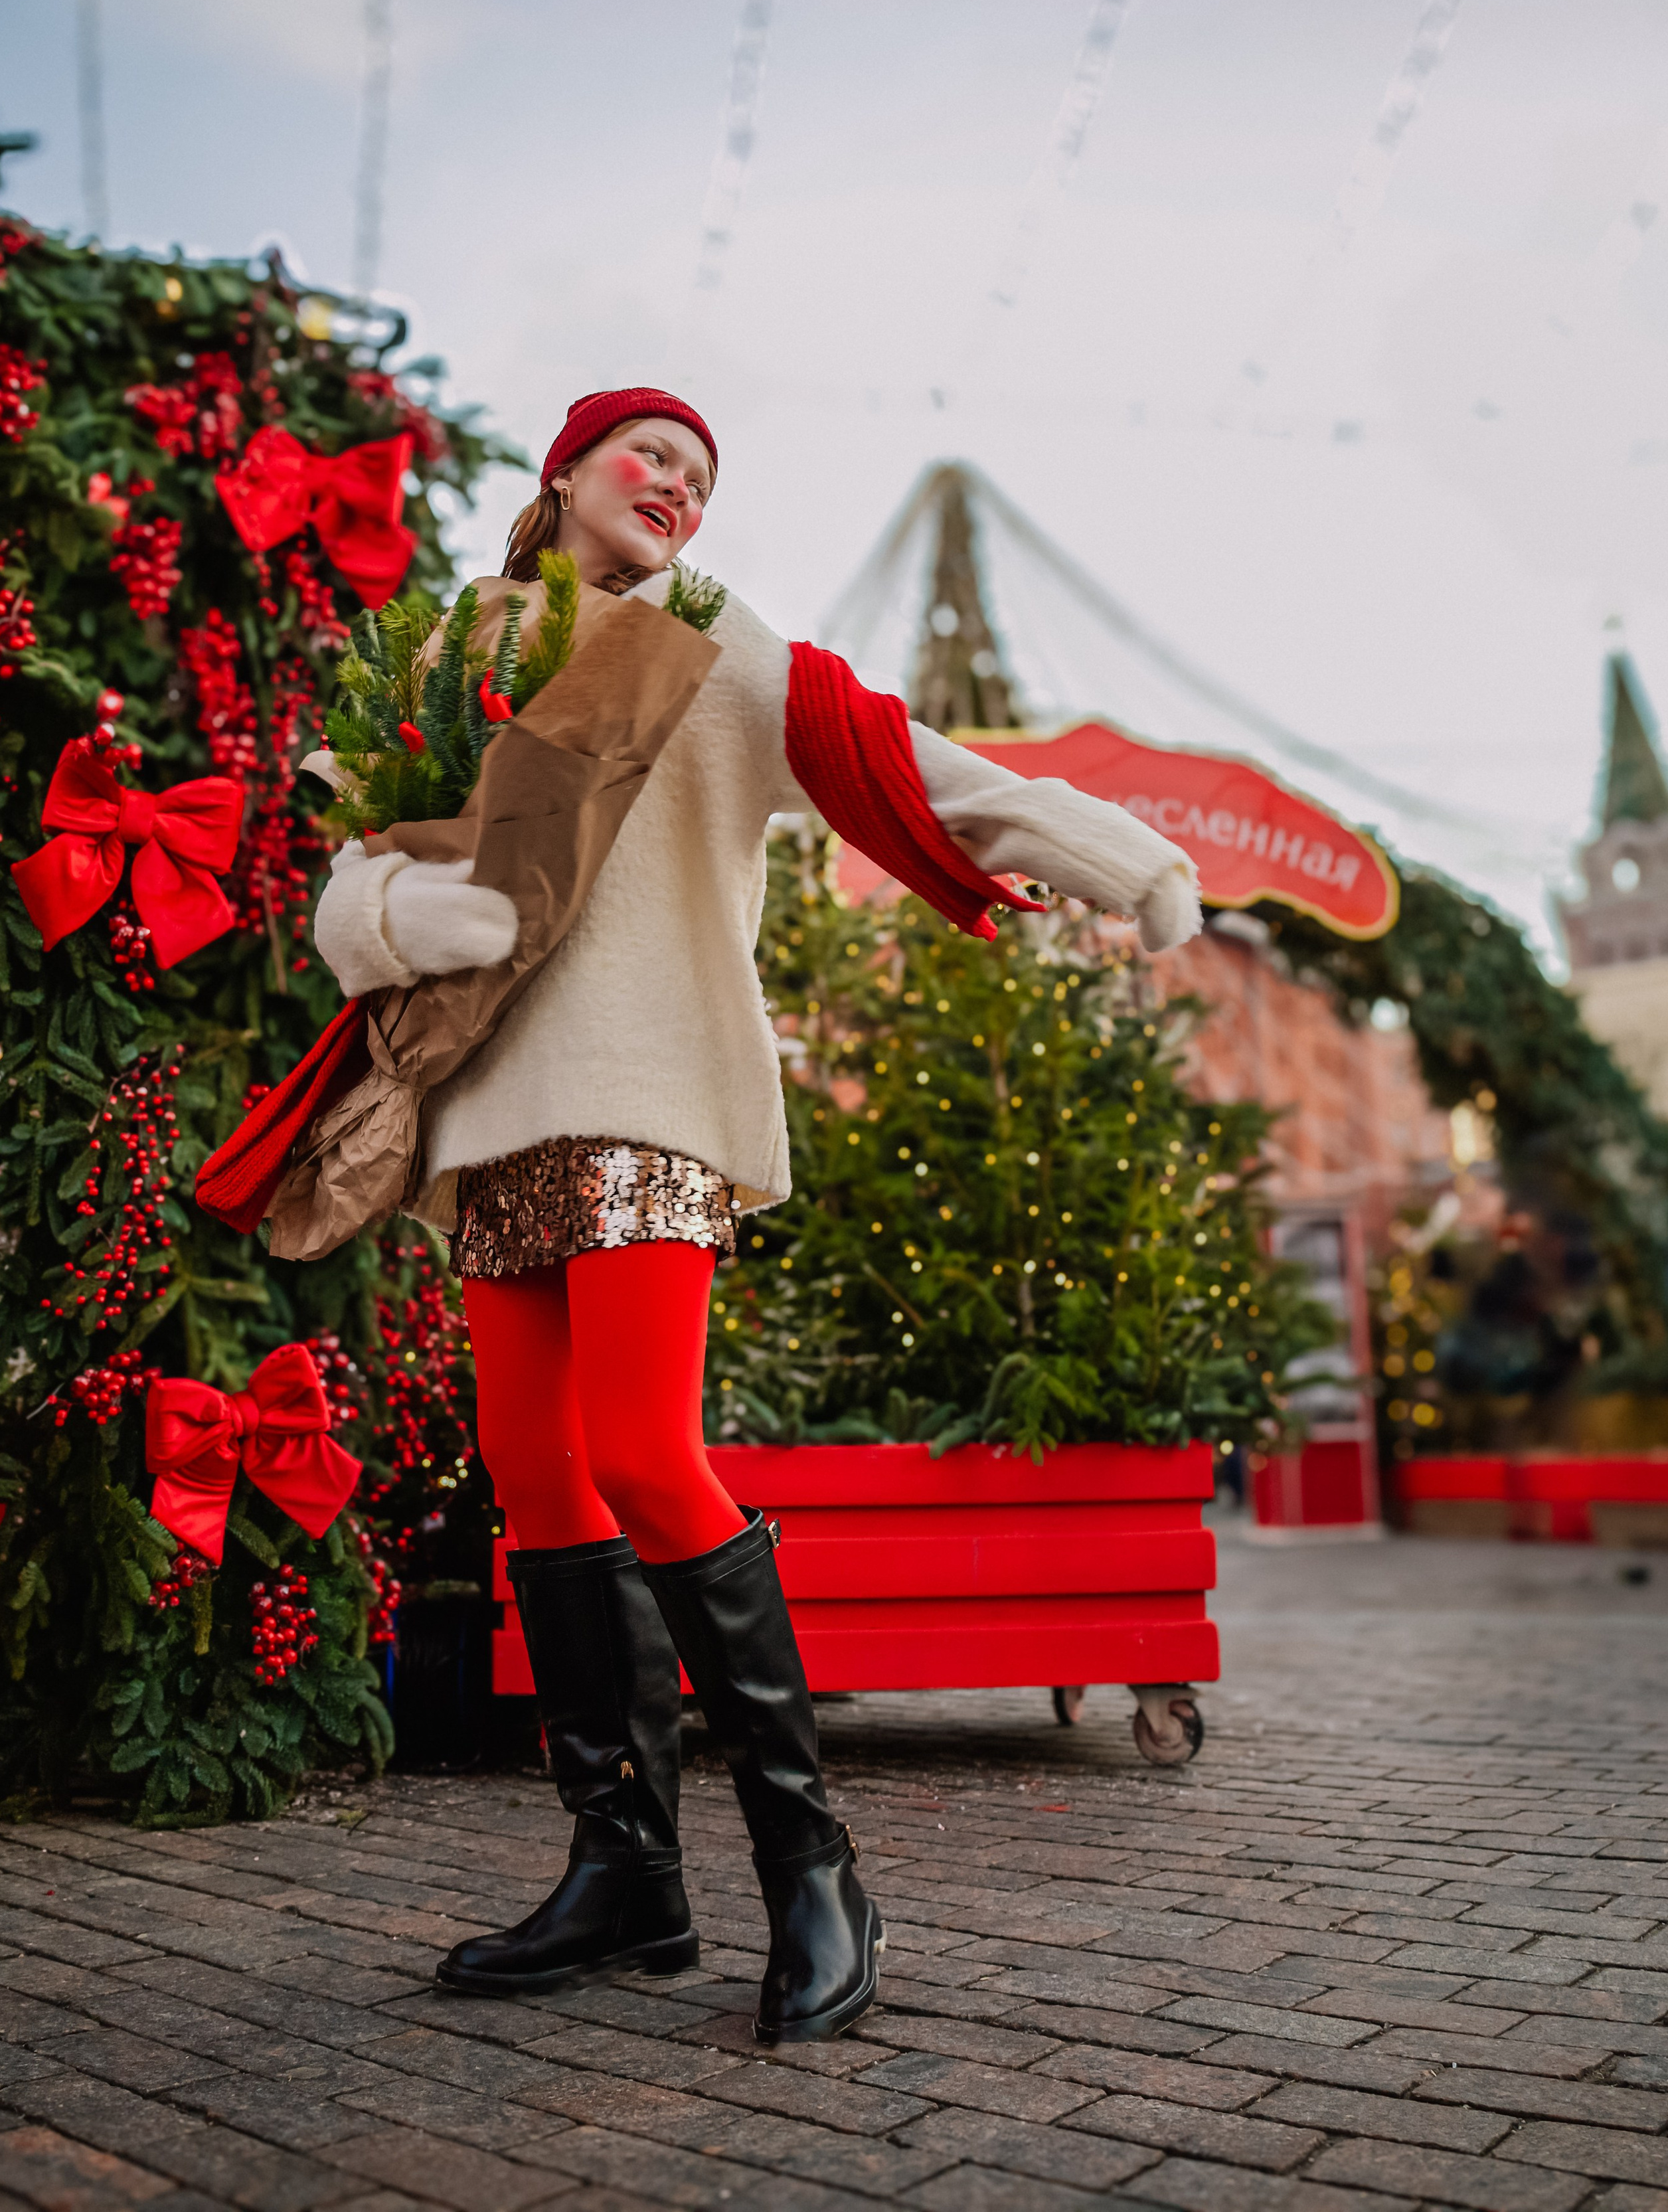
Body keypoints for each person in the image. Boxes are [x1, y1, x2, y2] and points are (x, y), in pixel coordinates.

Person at [312, 386, 1201, 2044]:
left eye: (703, 478)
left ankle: (809, 1868)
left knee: (648, 1455)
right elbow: (352, 861)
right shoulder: (457, 653)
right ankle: (622, 1874)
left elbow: (912, 764)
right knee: (533, 1479)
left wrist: (1118, 856)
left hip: (652, 1090)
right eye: (652, 456)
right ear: (566, 471)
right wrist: (393, 910)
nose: (678, 488)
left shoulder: (711, 650)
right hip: (492, 1110)